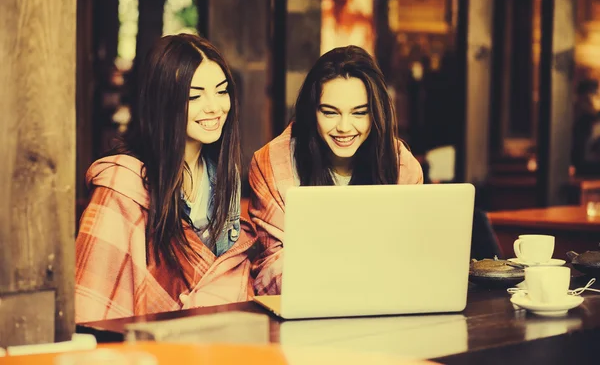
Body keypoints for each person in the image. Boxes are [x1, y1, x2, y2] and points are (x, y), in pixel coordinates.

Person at [75, 34, 259, 323]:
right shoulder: (123, 185)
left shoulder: (225, 175)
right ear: (163, 102)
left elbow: (226, 273)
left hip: (220, 335)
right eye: (194, 96)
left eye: (222, 92)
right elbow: (96, 296)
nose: (215, 107)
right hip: (148, 342)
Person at [248, 45, 424, 295]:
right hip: (305, 309)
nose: (344, 127)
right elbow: (271, 269)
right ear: (312, 111)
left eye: (359, 113)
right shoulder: (272, 164)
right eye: (330, 112)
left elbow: (410, 257)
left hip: (383, 305)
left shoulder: (402, 167)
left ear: (377, 113)